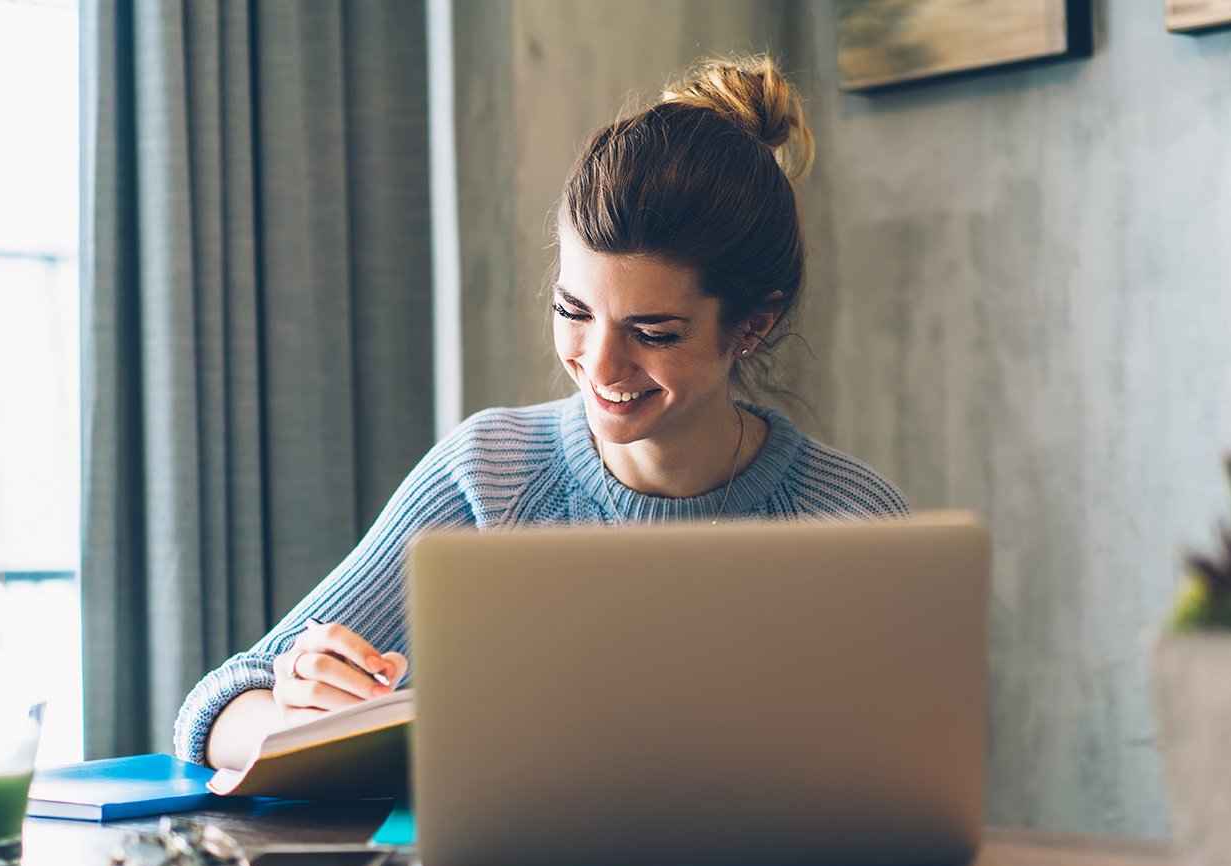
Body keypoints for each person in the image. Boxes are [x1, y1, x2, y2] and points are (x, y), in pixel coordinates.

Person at [177, 54, 909, 769]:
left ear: (751, 325)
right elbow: (211, 711)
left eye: (653, 333)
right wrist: (304, 713)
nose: (600, 364)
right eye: (573, 310)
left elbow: (906, 786)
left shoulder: (852, 522)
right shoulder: (491, 473)